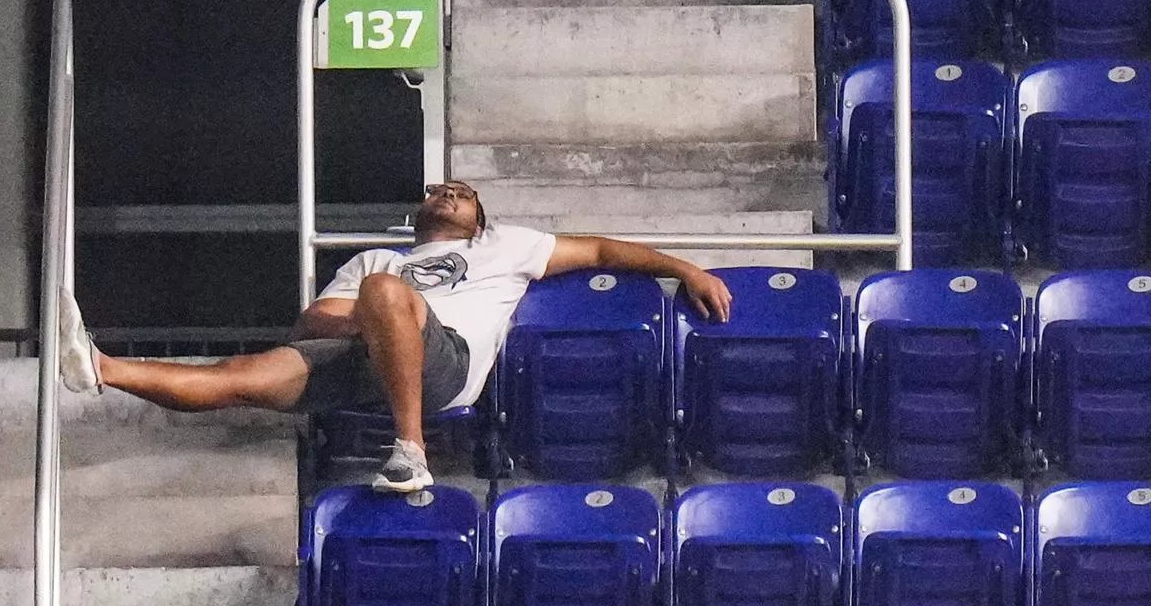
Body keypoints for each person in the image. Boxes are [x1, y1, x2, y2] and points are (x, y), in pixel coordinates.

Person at [58, 178, 734, 492]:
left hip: (447, 368)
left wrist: (684, 269)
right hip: (365, 358)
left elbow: (603, 253)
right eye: (438, 191)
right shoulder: (374, 260)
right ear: (417, 214)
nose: (447, 194)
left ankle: (409, 450)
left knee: (388, 295)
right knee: (242, 374)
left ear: (478, 220)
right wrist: (379, 323)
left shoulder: (507, 248)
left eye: (461, 193)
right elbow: (316, 323)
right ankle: (100, 367)